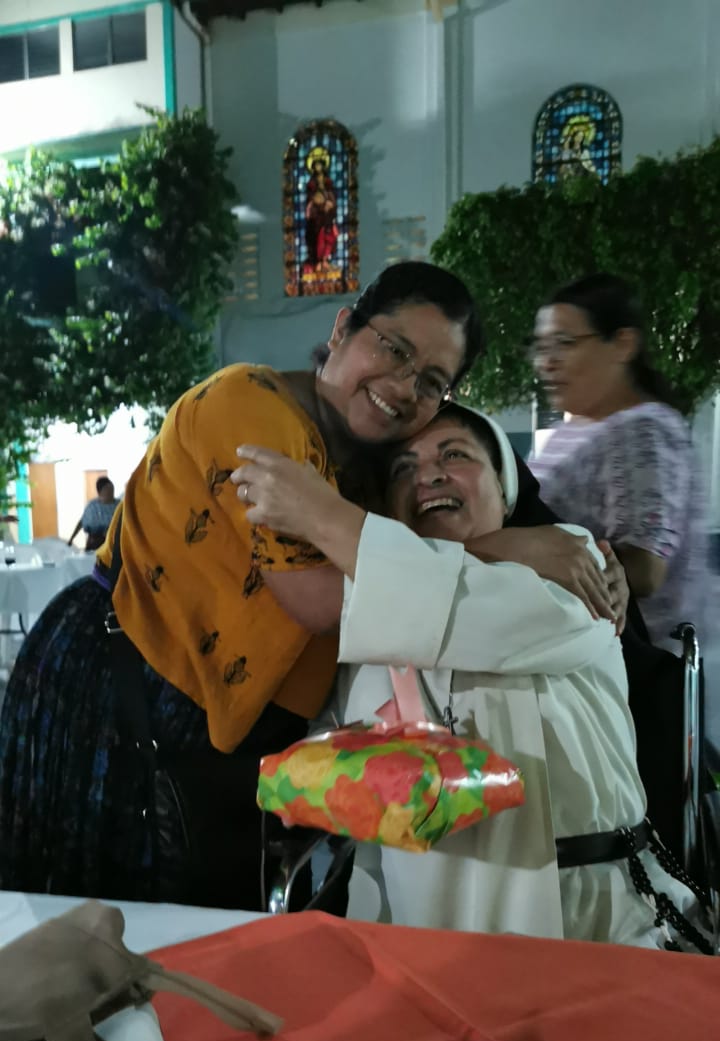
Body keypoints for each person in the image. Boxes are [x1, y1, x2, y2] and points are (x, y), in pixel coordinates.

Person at [0, 263, 485, 907]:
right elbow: (317, 599)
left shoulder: (367, 469)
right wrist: (505, 558)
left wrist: (544, 542)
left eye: (431, 382)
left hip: (226, 747)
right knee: (98, 920)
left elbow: (467, 514)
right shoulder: (251, 407)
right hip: (120, 688)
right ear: (343, 329)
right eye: (394, 349)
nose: (403, 386)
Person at [233, 405, 708, 949]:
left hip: (591, 921)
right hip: (416, 931)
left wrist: (321, 514)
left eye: (454, 455)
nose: (428, 475)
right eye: (403, 469)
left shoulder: (573, 563)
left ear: (505, 493)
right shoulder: (372, 609)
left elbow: (452, 600)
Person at [527, 273, 715, 654]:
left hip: (641, 665)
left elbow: (646, 569)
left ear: (622, 344)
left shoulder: (643, 430)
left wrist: (532, 553)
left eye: (564, 344)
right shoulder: (572, 430)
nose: (546, 362)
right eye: (541, 347)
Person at [68, 476, 120, 552]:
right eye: (108, 490)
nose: (111, 492)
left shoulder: (119, 505)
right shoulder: (92, 506)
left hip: (113, 543)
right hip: (94, 543)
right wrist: (71, 538)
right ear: (100, 492)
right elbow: (82, 522)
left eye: (112, 489)